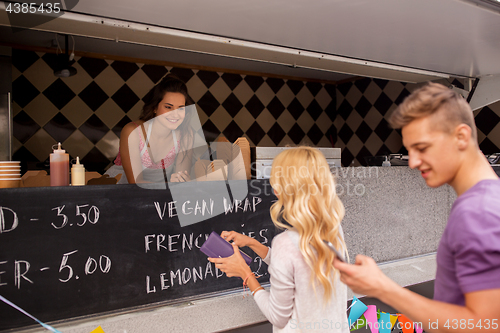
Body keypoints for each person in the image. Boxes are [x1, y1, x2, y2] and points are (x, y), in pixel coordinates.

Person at [333, 83, 500, 332]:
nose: (412, 162)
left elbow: (484, 324)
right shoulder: (490, 197)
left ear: (461, 136)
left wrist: (382, 288)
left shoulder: (477, 211)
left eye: (421, 148)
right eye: (409, 150)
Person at [209, 147, 349, 332]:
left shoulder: (285, 243)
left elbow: (277, 317)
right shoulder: (332, 227)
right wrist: (253, 244)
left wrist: (245, 273)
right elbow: (299, 264)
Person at [106, 74, 195, 184]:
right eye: (168, 107)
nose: (175, 114)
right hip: (117, 192)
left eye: (181, 108)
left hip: (157, 196)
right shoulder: (132, 131)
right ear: (154, 107)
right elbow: (135, 183)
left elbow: (181, 181)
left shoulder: (185, 134)